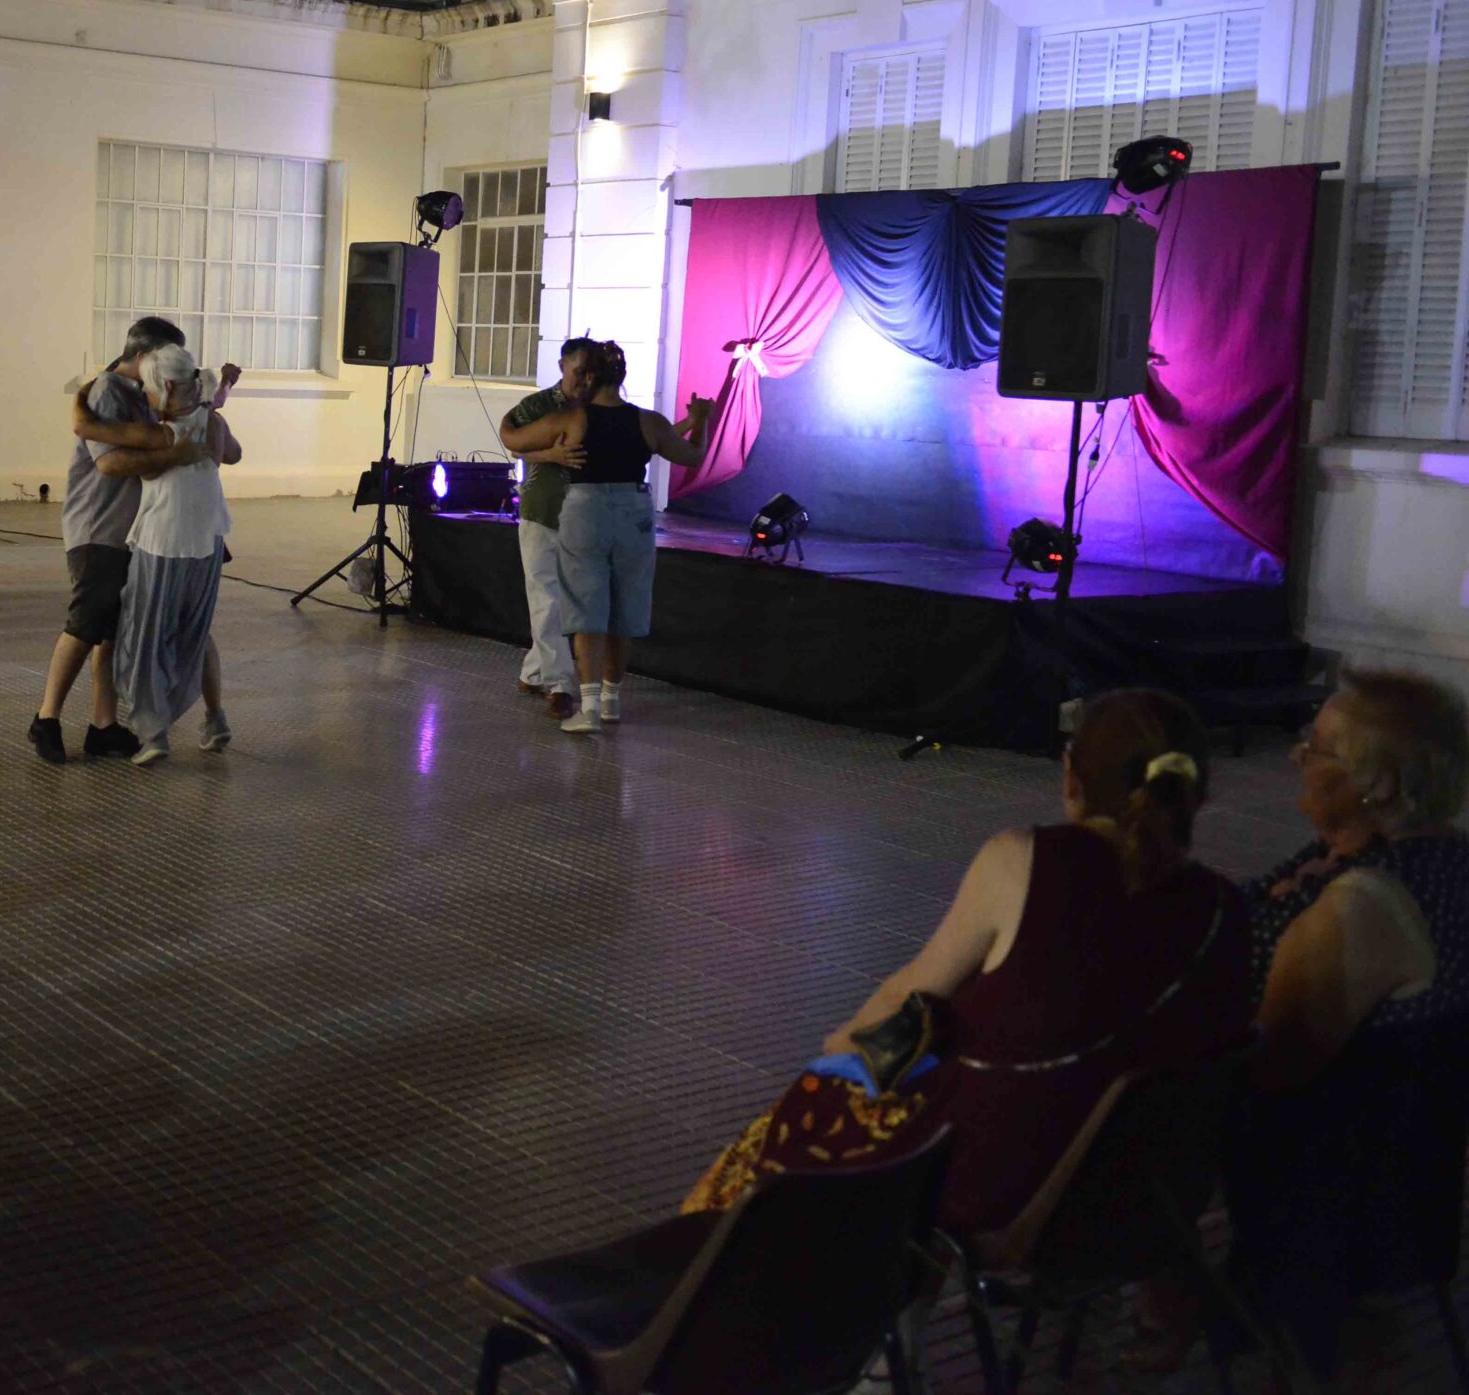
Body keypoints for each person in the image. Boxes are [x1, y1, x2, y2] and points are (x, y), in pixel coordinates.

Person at [683, 688, 1253, 1238]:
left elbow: (911, 995)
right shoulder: (1226, 907)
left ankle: (703, 1273)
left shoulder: (1026, 862)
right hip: (1149, 1198)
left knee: (813, 1104)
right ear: (1194, 794)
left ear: (1071, 778)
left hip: (1001, 1189)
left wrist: (839, 1047)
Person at [1202, 671, 1469, 1378]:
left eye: (1316, 747)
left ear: (1378, 784)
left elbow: (1267, 1068)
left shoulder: (1365, 900)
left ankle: (1168, 1293)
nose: (1296, 756)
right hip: (1413, 1180)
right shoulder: (1421, 853)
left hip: (1334, 1196)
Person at [27, 317, 217, 765]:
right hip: (100, 528)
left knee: (114, 632)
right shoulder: (109, 390)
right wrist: (175, 455)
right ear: (145, 356)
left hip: (135, 533)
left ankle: (104, 725)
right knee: (86, 624)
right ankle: (46, 718)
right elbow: (110, 463)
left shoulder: (148, 393)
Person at [506, 343, 710, 734]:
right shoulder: (647, 421)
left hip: (585, 511)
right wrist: (700, 420)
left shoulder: (574, 419)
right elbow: (692, 455)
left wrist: (536, 443)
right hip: (634, 513)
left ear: (591, 378)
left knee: (587, 609)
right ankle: (612, 700)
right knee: (624, 608)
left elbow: (514, 439)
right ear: (622, 377)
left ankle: (588, 709)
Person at [109, 343, 241, 765]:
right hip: (207, 541)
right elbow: (233, 454)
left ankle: (152, 732)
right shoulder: (212, 422)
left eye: (149, 389)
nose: (145, 397)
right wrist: (214, 405)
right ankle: (215, 718)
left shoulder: (159, 433)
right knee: (195, 632)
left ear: (166, 387)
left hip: (163, 540)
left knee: (146, 634)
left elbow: (121, 462)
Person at [496, 339, 597, 722]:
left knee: (564, 600)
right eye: (578, 372)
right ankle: (559, 685)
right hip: (542, 510)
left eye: (591, 374)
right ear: (562, 367)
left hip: (585, 516)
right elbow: (514, 445)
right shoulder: (538, 405)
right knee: (545, 597)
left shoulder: (598, 408)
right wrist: (550, 455)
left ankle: (534, 672)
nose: (585, 381)